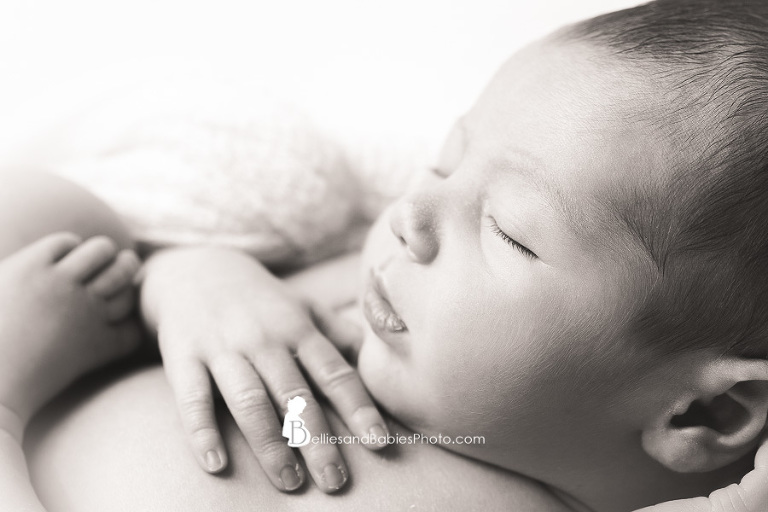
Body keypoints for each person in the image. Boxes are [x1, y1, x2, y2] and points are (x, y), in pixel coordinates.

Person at [5, 0, 768, 510]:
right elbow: (168, 284)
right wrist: (192, 277)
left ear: (704, 411)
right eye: (443, 163)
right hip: (72, 331)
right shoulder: (393, 314)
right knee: (67, 215)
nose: (410, 217)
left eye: (508, 229)